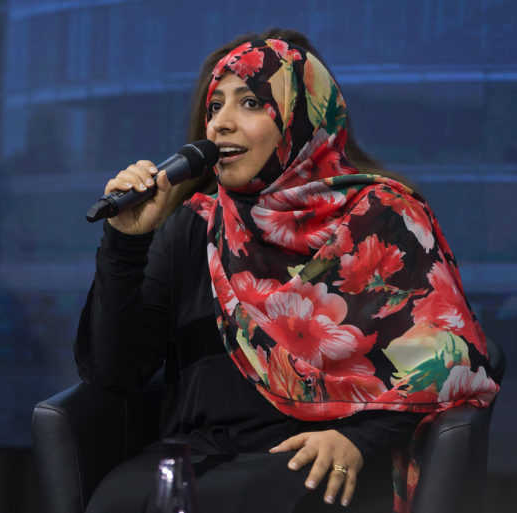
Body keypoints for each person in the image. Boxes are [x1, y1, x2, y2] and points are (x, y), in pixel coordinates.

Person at [75, 32, 499, 513]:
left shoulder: (382, 215)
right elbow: (113, 373)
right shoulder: (196, 224)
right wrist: (125, 242)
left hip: (314, 454)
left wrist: (358, 440)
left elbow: (449, 363)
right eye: (215, 106)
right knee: (114, 500)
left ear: (302, 118)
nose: (220, 124)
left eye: (250, 102)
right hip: (202, 456)